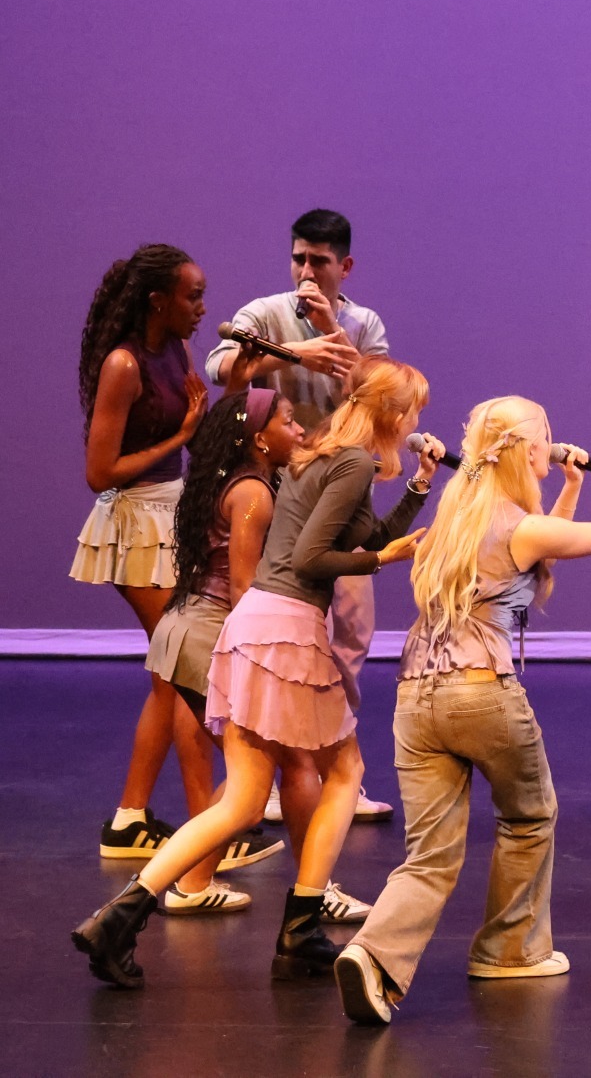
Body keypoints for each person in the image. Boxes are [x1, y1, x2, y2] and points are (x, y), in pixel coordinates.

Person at [336, 400, 591, 1025]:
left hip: (415, 697)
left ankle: (372, 955)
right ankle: (508, 950)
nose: (552, 446)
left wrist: (568, 486)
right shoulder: (517, 524)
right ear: (525, 451)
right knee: (530, 814)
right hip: (481, 692)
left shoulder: (456, 519)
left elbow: (541, 555)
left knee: (428, 854)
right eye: (545, 438)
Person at [72, 356, 438, 989]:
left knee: (243, 797)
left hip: (257, 624)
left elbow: (353, 531)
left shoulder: (326, 457)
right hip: (288, 628)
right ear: (392, 413)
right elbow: (315, 556)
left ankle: (119, 916)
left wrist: (413, 494)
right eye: (412, 412)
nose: (414, 424)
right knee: (345, 770)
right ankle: (301, 925)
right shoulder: (350, 463)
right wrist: (386, 558)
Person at [207, 208, 394, 822]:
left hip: (342, 494)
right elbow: (224, 373)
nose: (306, 271)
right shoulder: (264, 313)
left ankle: (336, 762)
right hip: (280, 493)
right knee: (271, 630)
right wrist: (293, 352)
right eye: (298, 259)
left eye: (318, 261)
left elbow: (379, 398)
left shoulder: (364, 324)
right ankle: (267, 771)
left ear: (345, 266)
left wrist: (333, 333)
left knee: (350, 634)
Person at [73, 244, 215, 860]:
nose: (202, 308)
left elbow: (198, 417)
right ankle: (207, 832)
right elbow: (100, 472)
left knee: (167, 676)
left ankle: (130, 821)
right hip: (133, 523)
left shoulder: (177, 351)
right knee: (186, 672)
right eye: (193, 296)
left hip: (173, 514)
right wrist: (182, 434)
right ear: (159, 300)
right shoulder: (124, 366)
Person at [141, 389, 302, 913]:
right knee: (253, 782)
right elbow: (243, 587)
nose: (299, 431)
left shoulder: (236, 484)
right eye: (289, 421)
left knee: (250, 779)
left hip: (187, 634)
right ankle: (181, 885)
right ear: (259, 437)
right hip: (209, 638)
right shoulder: (254, 492)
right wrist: (263, 660)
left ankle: (192, 882)